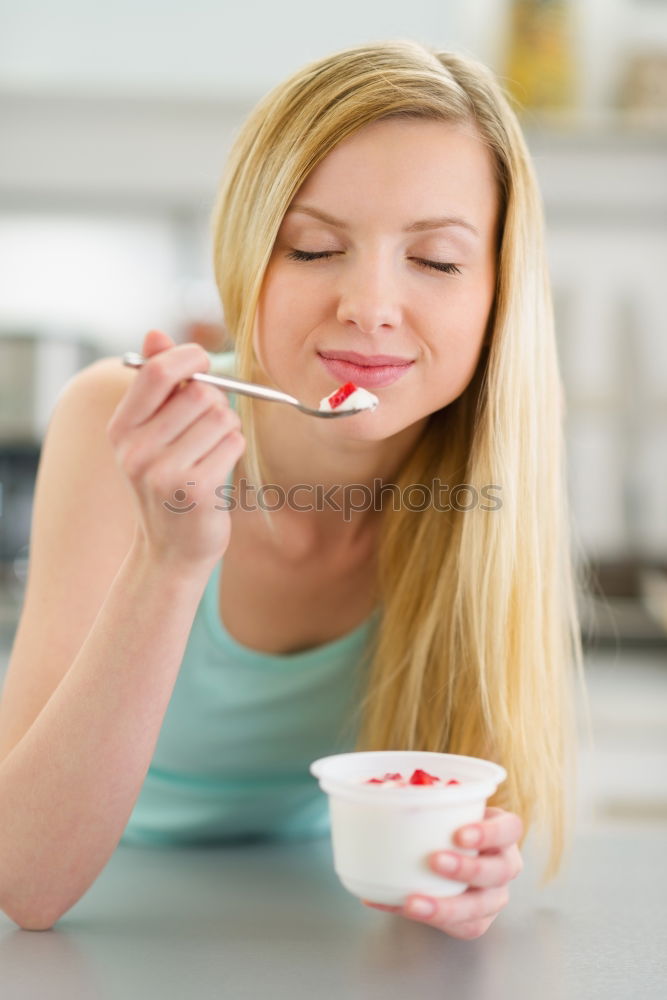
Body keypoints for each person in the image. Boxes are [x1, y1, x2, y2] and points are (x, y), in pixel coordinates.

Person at [0, 39, 590, 938]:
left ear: (497, 294)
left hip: (323, 915)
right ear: (248, 258)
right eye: (314, 248)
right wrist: (171, 561)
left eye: (434, 262)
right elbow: (27, 882)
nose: (370, 305)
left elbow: (470, 802)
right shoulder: (116, 422)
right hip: (103, 900)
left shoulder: (502, 451)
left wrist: (471, 867)